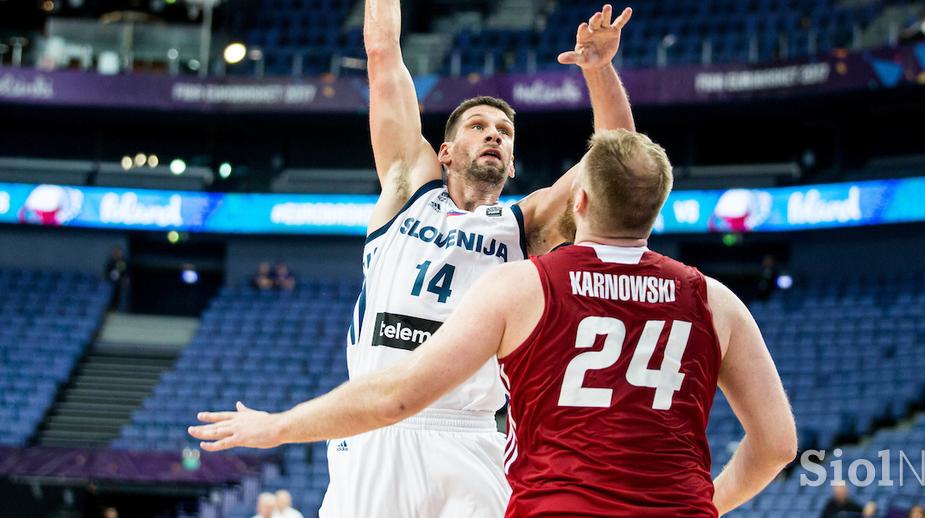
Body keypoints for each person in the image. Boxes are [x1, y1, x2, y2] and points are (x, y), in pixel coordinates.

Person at [245, 0, 633, 517]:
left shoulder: (525, 225)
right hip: (376, 427)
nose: (495, 135)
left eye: (506, 132)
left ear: (512, 166)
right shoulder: (408, 189)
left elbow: (618, 164)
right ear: (444, 150)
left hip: (469, 436)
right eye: (479, 125)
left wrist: (599, 72)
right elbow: (382, 57)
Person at [189, 130, 797, 517]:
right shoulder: (714, 300)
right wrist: (701, 503)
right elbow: (777, 446)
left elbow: (398, 396)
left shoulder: (526, 284)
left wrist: (277, 427)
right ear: (659, 208)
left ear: (579, 201)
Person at [104, 246, 130, 311]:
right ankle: (110, 309)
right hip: (110, 283)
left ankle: (118, 309)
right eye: (116, 252)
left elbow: (125, 273)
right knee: (110, 297)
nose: (118, 254)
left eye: (119, 253)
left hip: (119, 284)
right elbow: (106, 273)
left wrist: (125, 281)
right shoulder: (110, 262)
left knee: (119, 297)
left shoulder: (123, 262)